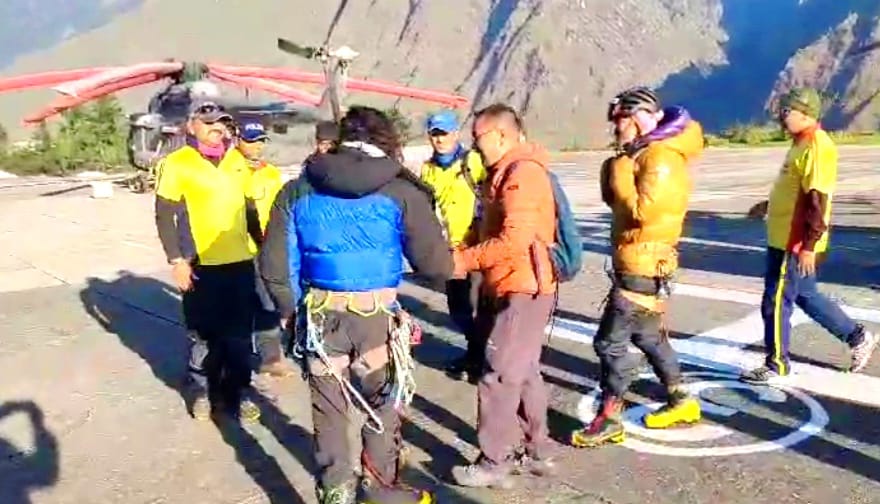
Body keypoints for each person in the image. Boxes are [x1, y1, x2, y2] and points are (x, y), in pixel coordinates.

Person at [259, 106, 450, 503]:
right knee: (383, 404)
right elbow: (435, 265)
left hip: (319, 317)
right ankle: (380, 489)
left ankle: (336, 491)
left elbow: (276, 263)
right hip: (377, 319)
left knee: (329, 411)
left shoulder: (297, 189)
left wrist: (289, 310)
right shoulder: (401, 189)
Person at [570, 87, 704, 449]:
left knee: (609, 344)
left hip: (643, 265)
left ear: (636, 119)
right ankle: (681, 399)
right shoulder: (643, 155)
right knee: (648, 337)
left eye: (619, 122)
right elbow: (616, 203)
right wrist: (617, 167)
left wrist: (620, 169)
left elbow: (643, 213)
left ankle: (610, 417)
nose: (615, 129)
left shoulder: (660, 158)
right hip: (640, 262)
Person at [449, 104, 557, 488]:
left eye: (478, 138)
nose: (474, 146)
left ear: (499, 135)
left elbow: (514, 240)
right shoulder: (503, 172)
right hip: (515, 284)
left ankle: (494, 462)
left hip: (521, 287)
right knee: (523, 370)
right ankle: (537, 451)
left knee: (498, 375)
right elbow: (490, 228)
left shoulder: (521, 174)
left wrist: (462, 261)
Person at [740, 87, 878, 384]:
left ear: (805, 113)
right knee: (805, 295)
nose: (781, 116)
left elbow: (818, 200)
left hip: (794, 241)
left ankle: (777, 364)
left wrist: (808, 245)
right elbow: (795, 191)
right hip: (784, 237)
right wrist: (767, 206)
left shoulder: (817, 146)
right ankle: (857, 337)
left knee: (776, 301)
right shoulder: (800, 143)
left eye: (787, 111)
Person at [154, 100, 264, 422]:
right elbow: (164, 215)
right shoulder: (177, 163)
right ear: (191, 126)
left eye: (222, 123)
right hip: (199, 263)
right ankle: (201, 389)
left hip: (240, 262)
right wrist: (177, 260)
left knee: (240, 333)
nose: (217, 128)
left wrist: (263, 247)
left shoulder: (237, 160)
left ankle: (239, 390)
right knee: (202, 333)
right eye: (209, 122)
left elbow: (249, 209)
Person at [419, 110, 488, 382]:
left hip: (477, 246)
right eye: (434, 134)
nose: (439, 139)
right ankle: (474, 352)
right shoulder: (428, 169)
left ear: (456, 133)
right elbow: (427, 208)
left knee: (479, 305)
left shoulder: (474, 161)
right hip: (449, 250)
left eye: (444, 133)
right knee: (458, 309)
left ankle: (482, 359)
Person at [233, 118, 294, 378]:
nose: (256, 147)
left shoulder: (271, 173)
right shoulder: (228, 171)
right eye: (250, 141)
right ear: (237, 140)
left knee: (267, 302)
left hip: (265, 248)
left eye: (260, 141)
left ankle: (270, 358)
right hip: (234, 250)